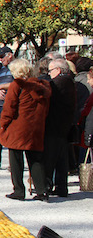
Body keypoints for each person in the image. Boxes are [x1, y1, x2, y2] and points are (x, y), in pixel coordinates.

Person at [0, 58, 51, 201]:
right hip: (36, 127)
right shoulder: (42, 86)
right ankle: (41, 190)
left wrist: (3, 123)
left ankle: (19, 190)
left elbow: (9, 108)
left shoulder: (17, 85)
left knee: (15, 159)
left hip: (18, 127)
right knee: (36, 159)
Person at [43, 57, 76, 198]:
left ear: (58, 70)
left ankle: (48, 185)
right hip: (64, 126)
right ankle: (61, 187)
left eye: (50, 70)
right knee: (62, 159)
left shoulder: (59, 83)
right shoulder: (69, 81)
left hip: (55, 126)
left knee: (51, 158)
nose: (49, 73)